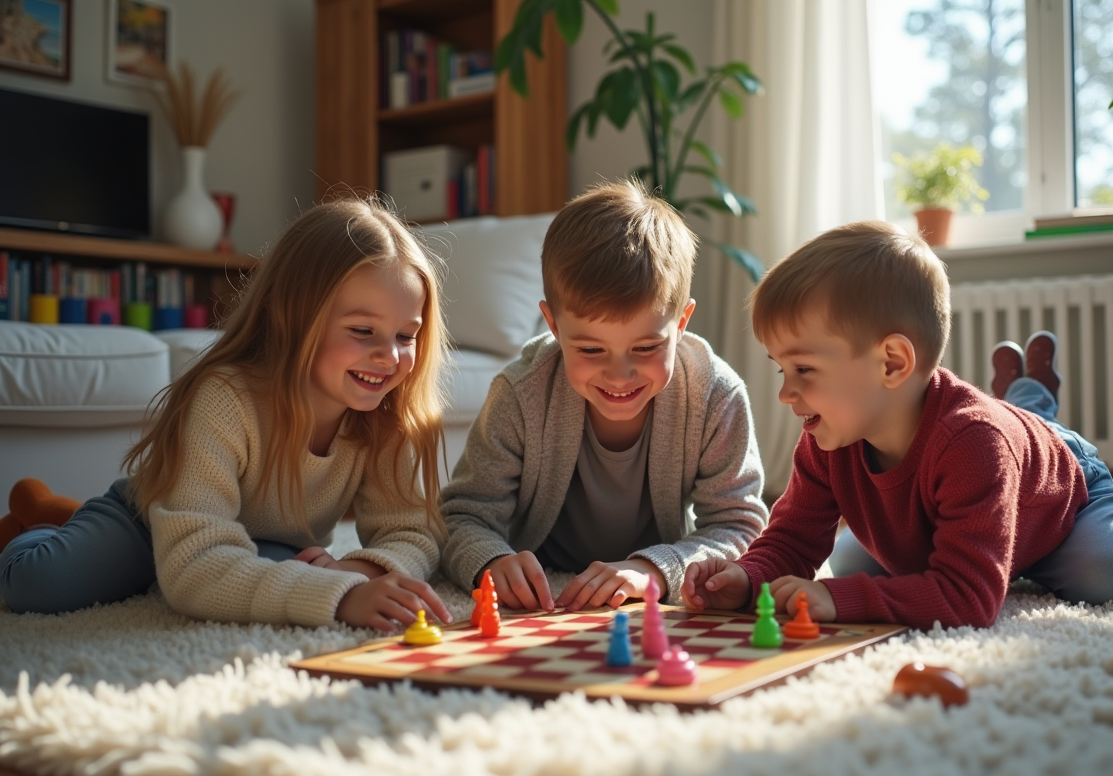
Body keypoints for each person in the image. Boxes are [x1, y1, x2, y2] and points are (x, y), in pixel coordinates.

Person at [683, 220, 1113, 630]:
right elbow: (793, 540)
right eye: (781, 369)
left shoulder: (976, 443)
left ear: (892, 363)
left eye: (804, 370)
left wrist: (842, 601)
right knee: (855, 561)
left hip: (1055, 502)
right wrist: (746, 578)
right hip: (981, 480)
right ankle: (1023, 404)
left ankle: (1031, 406)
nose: (785, 393)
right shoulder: (827, 435)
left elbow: (970, 597)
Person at [0, 197, 453, 633]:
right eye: (362, 331)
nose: (389, 356)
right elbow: (196, 562)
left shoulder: (386, 417)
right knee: (39, 585)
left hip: (267, 543)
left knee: (277, 577)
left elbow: (413, 534)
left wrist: (355, 568)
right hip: (155, 521)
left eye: (406, 336)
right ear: (289, 314)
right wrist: (342, 595)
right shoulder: (225, 397)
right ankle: (45, 515)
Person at [440, 180, 769, 612]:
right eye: (591, 349)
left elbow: (739, 526)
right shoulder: (520, 393)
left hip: (645, 583)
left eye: (647, 347)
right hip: (546, 584)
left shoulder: (715, 395)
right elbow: (463, 516)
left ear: (682, 322)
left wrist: (654, 570)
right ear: (553, 326)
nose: (619, 374)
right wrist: (491, 560)